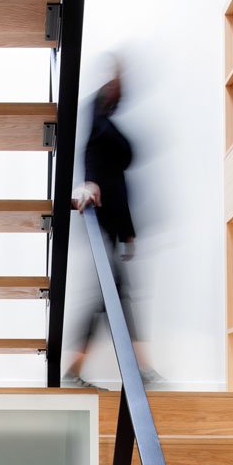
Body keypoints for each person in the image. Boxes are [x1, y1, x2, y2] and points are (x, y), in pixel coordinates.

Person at [62, 66, 163, 388]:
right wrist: (89, 182)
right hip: (102, 225)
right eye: (114, 86)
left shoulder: (108, 129)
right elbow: (91, 155)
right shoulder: (99, 127)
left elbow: (119, 186)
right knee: (116, 296)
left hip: (113, 227)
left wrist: (128, 231)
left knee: (110, 298)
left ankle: (76, 371)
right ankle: (139, 369)